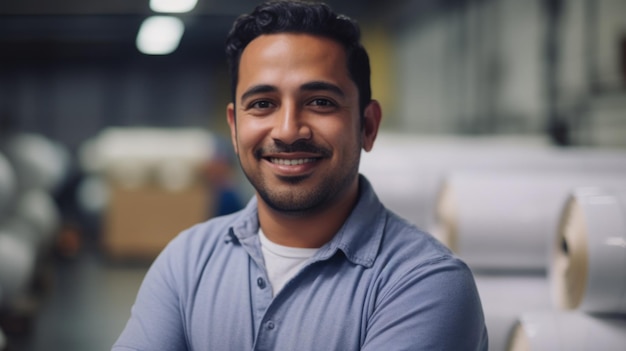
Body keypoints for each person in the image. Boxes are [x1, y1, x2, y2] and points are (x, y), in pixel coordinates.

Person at [113, 1, 488, 350]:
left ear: (368, 125)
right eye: (262, 104)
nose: (288, 130)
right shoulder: (186, 261)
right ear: (234, 127)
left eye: (320, 102)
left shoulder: (425, 283)